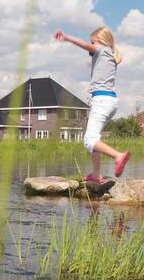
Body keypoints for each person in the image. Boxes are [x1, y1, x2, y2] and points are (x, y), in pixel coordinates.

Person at [54, 26, 130, 183]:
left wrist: (67, 37)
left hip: (101, 101)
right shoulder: (110, 54)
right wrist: (93, 66)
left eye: (93, 41)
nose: (91, 45)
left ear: (100, 40)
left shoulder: (101, 49)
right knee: (95, 140)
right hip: (110, 102)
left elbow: (84, 45)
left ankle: (118, 156)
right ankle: (96, 175)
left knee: (89, 140)